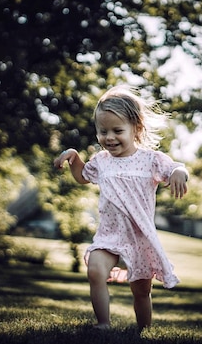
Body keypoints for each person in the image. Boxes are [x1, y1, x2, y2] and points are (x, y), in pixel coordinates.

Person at [53, 85, 189, 331]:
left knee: (141, 290)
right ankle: (103, 324)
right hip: (109, 235)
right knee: (95, 270)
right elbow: (83, 176)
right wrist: (73, 156)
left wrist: (180, 172)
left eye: (117, 130)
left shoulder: (151, 160)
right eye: (103, 131)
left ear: (136, 128)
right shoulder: (102, 161)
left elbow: (174, 168)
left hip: (139, 238)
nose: (109, 137)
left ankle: (144, 329)